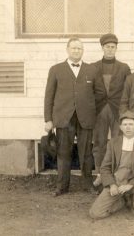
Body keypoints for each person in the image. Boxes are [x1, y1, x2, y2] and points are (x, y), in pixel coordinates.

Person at [44, 37, 96, 196]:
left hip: (85, 118)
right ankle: (62, 186)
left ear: (83, 51)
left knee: (86, 153)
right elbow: (49, 96)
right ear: (67, 49)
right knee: (63, 153)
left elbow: (98, 95)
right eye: (73, 48)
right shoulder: (56, 69)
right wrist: (48, 119)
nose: (76, 51)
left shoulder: (91, 70)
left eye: (79, 48)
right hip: (63, 118)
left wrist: (94, 114)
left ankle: (87, 185)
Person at [89, 111, 134, 219]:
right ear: (120, 127)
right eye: (125, 124)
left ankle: (133, 203)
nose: (128, 127)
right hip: (117, 182)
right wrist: (111, 184)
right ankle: (121, 201)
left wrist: (130, 185)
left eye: (131, 124)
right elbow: (105, 167)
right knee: (95, 213)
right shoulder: (113, 142)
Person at [92, 33, 131, 188]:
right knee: (99, 143)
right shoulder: (93, 67)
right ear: (102, 48)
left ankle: (116, 174)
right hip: (100, 109)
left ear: (116, 48)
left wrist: (126, 111)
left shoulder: (124, 67)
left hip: (118, 110)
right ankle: (101, 174)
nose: (110, 49)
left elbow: (128, 90)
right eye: (107, 47)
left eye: (113, 47)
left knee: (118, 142)